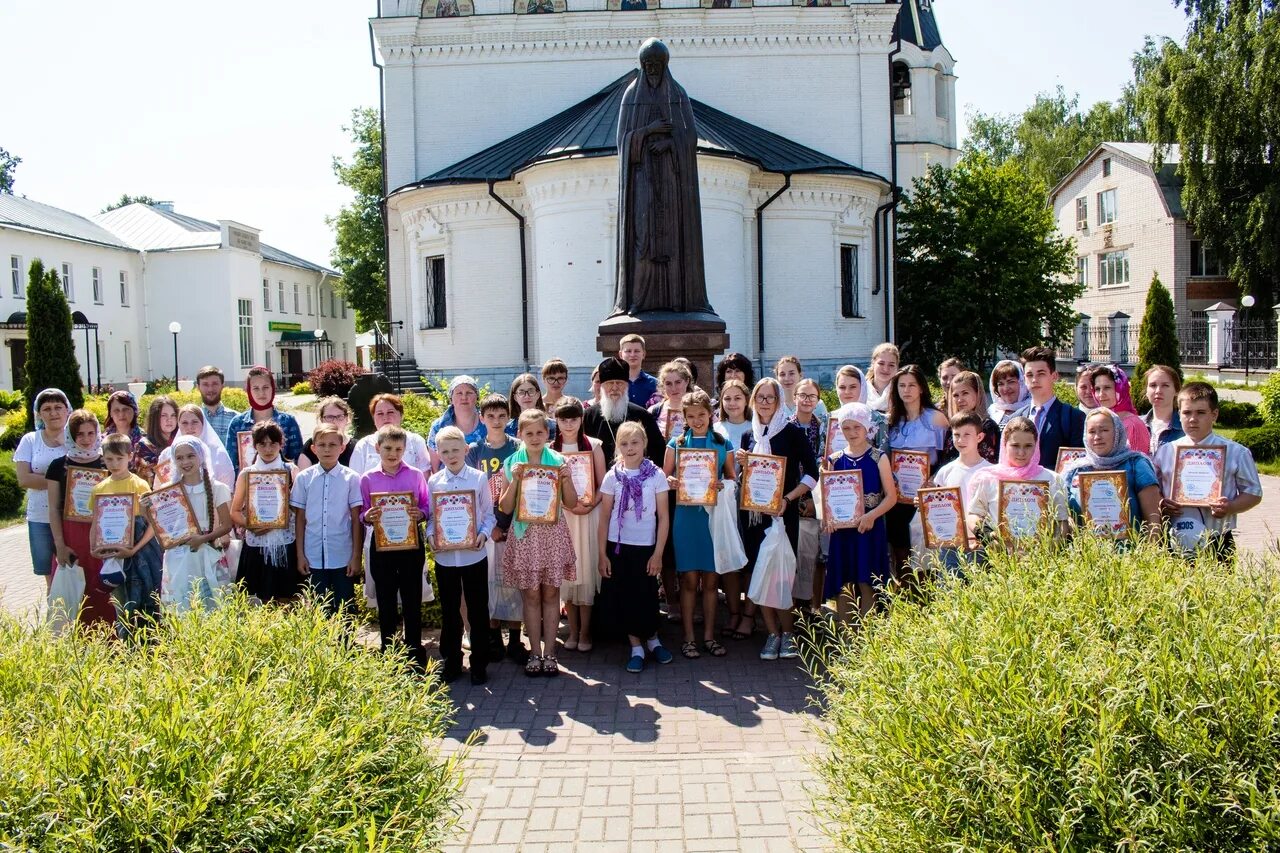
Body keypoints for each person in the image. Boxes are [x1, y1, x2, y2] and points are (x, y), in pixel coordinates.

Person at [736, 378, 819, 662]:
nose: (765, 403)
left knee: (781, 577)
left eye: (770, 398)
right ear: (753, 401)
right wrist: (743, 466)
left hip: (783, 516)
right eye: (760, 397)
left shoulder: (792, 432)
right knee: (759, 575)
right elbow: (746, 481)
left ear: (779, 400)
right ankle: (772, 634)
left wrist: (788, 499)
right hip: (755, 517)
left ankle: (789, 634)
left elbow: (812, 474)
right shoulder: (750, 435)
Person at [498, 409, 579, 678]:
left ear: (548, 434)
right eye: (528, 432)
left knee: (551, 595)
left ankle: (551, 655)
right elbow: (505, 507)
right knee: (531, 595)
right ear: (519, 434)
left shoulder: (557, 461)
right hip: (525, 536)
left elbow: (572, 502)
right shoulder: (512, 462)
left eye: (540, 432)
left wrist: (566, 478)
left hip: (552, 535)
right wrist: (516, 480)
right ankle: (535, 652)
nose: (534, 437)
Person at [662, 389, 735, 659]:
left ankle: (709, 637)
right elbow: (664, 475)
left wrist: (722, 484)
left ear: (710, 414)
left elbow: (732, 478)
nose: (697, 420)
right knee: (689, 579)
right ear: (684, 418)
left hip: (712, 517)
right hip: (686, 516)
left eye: (701, 415)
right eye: (691, 416)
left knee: (711, 579)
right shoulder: (676, 443)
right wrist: (671, 482)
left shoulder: (721, 443)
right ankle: (689, 637)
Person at [1154, 381, 1263, 560]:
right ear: (1179, 414)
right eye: (1186, 412)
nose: (1192, 419)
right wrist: (1162, 503)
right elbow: (1153, 491)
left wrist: (1231, 507)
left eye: (1201, 413)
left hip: (1217, 538)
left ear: (1214, 415)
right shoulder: (1165, 452)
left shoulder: (1237, 452)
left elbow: (1253, 492)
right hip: (1174, 536)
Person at [598, 421, 674, 674]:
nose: (629, 448)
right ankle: (636, 647)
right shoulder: (612, 477)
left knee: (647, 594)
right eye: (624, 443)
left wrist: (658, 554)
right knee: (626, 596)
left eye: (634, 442)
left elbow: (663, 517)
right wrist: (602, 555)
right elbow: (604, 517)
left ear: (644, 444)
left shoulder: (657, 475)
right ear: (617, 446)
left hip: (646, 547)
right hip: (618, 547)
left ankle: (653, 640)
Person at [427, 425, 495, 685]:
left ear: (466, 449)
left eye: (456, 449)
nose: (451, 455)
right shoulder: (434, 481)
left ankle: (479, 664)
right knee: (450, 611)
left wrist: (483, 534)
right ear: (438, 452)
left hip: (473, 555)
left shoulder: (478, 478)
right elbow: (433, 518)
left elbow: (488, 513)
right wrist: (431, 536)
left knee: (478, 611)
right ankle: (452, 662)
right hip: (446, 559)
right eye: (445, 451)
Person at [360, 424, 430, 671]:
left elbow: (425, 506)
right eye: (388, 448)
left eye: (398, 449)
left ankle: (414, 651)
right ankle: (388, 651)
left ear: (405, 449)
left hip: (411, 545)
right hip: (382, 546)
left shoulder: (415, 475)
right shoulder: (368, 478)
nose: (393, 454)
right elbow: (362, 513)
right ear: (378, 448)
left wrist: (419, 513)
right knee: (386, 600)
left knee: (412, 599)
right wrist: (367, 515)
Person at [466, 393, 528, 664]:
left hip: (516, 524)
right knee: (490, 583)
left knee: (514, 582)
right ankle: (494, 638)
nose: (496, 420)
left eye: (502, 416)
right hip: (487, 527)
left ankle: (515, 639)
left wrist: (510, 524)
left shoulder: (518, 449)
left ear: (509, 418)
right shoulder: (474, 451)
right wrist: (490, 526)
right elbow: (471, 494)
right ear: (481, 419)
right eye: (490, 416)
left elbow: (526, 489)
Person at [822, 403, 895, 623]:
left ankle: (866, 639)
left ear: (867, 428)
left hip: (869, 528)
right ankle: (847, 637)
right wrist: (830, 519)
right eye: (847, 428)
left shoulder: (878, 457)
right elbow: (828, 496)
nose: (852, 433)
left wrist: (871, 516)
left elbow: (891, 496)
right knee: (845, 583)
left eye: (857, 427)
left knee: (867, 581)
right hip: (843, 530)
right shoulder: (834, 459)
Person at [89, 432, 161, 635]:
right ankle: (128, 649)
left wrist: (134, 549)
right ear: (102, 458)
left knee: (147, 601)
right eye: (109, 459)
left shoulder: (139, 485)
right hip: (113, 556)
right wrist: (94, 548)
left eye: (119, 458)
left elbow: (151, 524)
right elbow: (95, 523)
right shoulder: (99, 488)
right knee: (121, 604)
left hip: (142, 554)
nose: (114, 463)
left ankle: (151, 648)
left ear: (130, 456)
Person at [46, 409, 112, 630]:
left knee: (101, 589)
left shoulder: (107, 464)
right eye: (80, 434)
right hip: (71, 535)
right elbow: (54, 508)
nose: (86, 439)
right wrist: (60, 546)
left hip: (102, 534)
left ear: (97, 433)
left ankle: (108, 645)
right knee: (72, 592)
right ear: (71, 436)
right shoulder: (58, 466)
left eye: (91, 433)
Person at [290, 423, 363, 618]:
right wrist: (300, 555)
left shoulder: (352, 478)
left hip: (342, 554)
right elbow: (300, 518)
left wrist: (356, 556)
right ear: (313, 448)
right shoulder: (304, 478)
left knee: (345, 606)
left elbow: (356, 519)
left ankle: (346, 645)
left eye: (332, 444)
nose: (327, 449)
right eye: (322, 445)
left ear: (342, 448)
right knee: (318, 607)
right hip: (313, 554)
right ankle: (323, 648)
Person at [884, 365, 949, 580]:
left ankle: (925, 600)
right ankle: (905, 596)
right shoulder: (891, 421)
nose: (907, 390)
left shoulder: (935, 419)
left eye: (912, 385)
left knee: (924, 551)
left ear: (921, 388)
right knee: (900, 549)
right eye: (902, 385)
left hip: (924, 494)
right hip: (896, 496)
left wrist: (933, 479)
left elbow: (947, 456)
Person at [552, 397, 605, 654]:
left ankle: (586, 632)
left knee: (584, 573)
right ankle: (572, 631)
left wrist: (589, 505)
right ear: (557, 420)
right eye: (564, 418)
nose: (569, 423)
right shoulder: (552, 450)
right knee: (567, 576)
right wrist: (566, 506)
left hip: (587, 515)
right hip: (563, 518)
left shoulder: (593, 446)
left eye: (573, 418)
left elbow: (603, 485)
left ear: (581, 419)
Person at [966, 416, 1070, 545]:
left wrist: (1052, 549)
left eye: (1028, 446)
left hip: (1042, 558)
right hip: (1000, 556)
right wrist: (986, 535)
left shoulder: (1052, 479)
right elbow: (974, 514)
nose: (1021, 452)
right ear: (1004, 445)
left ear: (1036, 446)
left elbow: (1062, 521)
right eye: (1015, 445)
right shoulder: (987, 478)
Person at [1062, 408, 1162, 541]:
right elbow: (1064, 519)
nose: (1097, 437)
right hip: (1086, 556)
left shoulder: (1136, 464)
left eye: (1104, 430)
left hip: (1131, 556)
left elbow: (1153, 518)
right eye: (1092, 431)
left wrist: (1150, 554)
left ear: (1117, 432)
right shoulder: (1075, 470)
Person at [160, 436, 234, 613]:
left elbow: (226, 525)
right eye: (179, 458)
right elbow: (162, 527)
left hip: (207, 553)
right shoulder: (169, 492)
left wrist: (203, 538)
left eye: (190, 456)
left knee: (213, 606)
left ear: (200, 456)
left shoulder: (217, 488)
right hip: (179, 557)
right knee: (182, 608)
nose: (185, 461)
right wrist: (148, 507)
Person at [231, 421, 300, 604]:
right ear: (254, 446)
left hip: (286, 542)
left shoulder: (291, 471)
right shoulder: (247, 474)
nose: (268, 448)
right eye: (262, 443)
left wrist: (286, 500)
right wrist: (252, 525)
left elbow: (301, 510)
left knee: (288, 600)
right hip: (256, 544)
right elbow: (235, 511)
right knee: (258, 600)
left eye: (273, 443)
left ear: (281, 444)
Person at [15, 389, 69, 590]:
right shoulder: (30, 440)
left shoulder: (77, 439)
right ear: (39, 413)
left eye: (58, 407)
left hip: (70, 515)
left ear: (67, 410)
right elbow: (24, 478)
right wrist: (59, 482)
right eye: (47, 408)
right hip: (40, 517)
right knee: (49, 575)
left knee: (74, 568)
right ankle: (56, 619)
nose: (53, 413)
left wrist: (67, 443)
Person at [929, 411, 994, 577]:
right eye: (956, 435)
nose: (961, 440)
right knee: (948, 591)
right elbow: (937, 507)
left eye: (967, 435)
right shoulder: (945, 471)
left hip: (979, 544)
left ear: (979, 437)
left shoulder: (990, 472)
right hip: (950, 544)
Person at [582, 357, 666, 465]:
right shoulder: (590, 415)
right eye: (610, 383)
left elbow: (657, 451)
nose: (614, 388)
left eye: (619, 383)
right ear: (602, 386)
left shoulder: (642, 415)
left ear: (626, 386)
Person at [1014, 346, 1085, 470]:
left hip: (1055, 487)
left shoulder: (1073, 417)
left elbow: (1078, 465)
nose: (1035, 380)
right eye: (1030, 375)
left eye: (1041, 374)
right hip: (1022, 487)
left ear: (1054, 376)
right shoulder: (1016, 417)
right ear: (1024, 379)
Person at [224, 366, 304, 477]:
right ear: (248, 390)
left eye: (265, 387)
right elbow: (232, 463)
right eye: (256, 388)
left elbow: (296, 458)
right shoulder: (237, 424)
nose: (261, 393)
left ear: (273, 388)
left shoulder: (288, 422)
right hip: (248, 488)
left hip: (282, 488)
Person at [789, 377, 826, 610]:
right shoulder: (783, 426)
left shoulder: (825, 428)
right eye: (802, 395)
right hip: (791, 496)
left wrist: (814, 500)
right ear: (794, 398)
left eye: (811, 396)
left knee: (814, 557)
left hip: (817, 499)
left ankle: (814, 607)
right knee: (793, 555)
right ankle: (792, 607)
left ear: (818, 400)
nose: (806, 400)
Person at [350, 393, 432, 475]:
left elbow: (424, 476)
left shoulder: (416, 441)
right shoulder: (364, 445)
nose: (385, 417)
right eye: (380, 413)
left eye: (390, 412)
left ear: (401, 415)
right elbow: (356, 480)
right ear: (373, 418)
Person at [162, 404, 235, 491]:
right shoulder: (167, 455)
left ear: (203, 423)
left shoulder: (218, 453)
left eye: (194, 422)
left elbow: (228, 491)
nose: (190, 427)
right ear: (179, 425)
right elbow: (159, 491)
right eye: (184, 423)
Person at [938, 371, 999, 466]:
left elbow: (988, 464)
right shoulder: (953, 427)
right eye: (955, 395)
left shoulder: (987, 427)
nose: (960, 400)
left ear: (977, 393)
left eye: (965, 393)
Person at [1090, 365, 1151, 456]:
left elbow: (1136, 465)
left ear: (1121, 388)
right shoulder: (1096, 422)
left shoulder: (1133, 426)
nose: (1101, 394)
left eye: (1107, 388)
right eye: (1097, 389)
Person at [426, 375, 486, 466]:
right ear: (451, 398)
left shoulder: (488, 422)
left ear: (477, 397)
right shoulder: (438, 427)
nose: (464, 397)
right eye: (459, 393)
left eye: (469, 393)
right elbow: (435, 467)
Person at [831, 365, 889, 454]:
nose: (847, 392)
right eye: (842, 387)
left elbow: (884, 455)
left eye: (853, 387)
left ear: (862, 387)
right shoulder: (829, 419)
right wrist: (823, 466)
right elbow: (820, 455)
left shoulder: (879, 420)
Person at [297, 397, 355, 469]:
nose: (334, 421)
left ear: (347, 419)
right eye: (329, 417)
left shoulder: (356, 447)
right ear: (321, 419)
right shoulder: (311, 445)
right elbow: (303, 477)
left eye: (339, 416)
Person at [132, 395, 179, 487]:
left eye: (173, 415)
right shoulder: (144, 446)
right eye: (164, 415)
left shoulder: (182, 441)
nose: (169, 420)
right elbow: (145, 481)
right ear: (155, 418)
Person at [1141, 365, 1184, 454]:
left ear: (1176, 390)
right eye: (1153, 385)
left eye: (1165, 385)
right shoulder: (1136, 424)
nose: (1158, 391)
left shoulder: (1185, 427)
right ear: (1146, 391)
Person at [196, 365, 242, 448]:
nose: (210, 389)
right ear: (198, 387)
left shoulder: (236, 419)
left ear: (222, 385)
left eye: (215, 384)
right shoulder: (192, 418)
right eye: (205, 384)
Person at [506, 373, 557, 440]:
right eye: (521, 392)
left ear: (538, 394)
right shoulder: (507, 429)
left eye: (531, 391)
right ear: (515, 397)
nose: (527, 396)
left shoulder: (553, 426)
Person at [649, 360, 692, 440]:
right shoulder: (653, 412)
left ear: (687, 381)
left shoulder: (700, 408)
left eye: (678, 382)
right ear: (663, 385)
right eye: (668, 384)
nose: (674, 388)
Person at [775, 355, 828, 420]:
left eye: (791, 373)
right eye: (782, 374)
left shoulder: (817, 405)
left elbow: (825, 428)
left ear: (800, 375)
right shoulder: (773, 405)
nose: (787, 378)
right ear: (777, 378)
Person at [618, 333, 659, 407]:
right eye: (628, 351)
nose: (632, 355)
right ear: (621, 355)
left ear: (643, 354)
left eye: (636, 351)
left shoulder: (655, 384)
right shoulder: (614, 383)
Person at [986, 359, 1029, 429]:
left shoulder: (1032, 411)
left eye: (1011, 382)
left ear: (1022, 383)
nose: (1006, 388)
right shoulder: (991, 412)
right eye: (1001, 384)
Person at [713, 378, 753, 451]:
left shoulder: (755, 429)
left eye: (737, 398)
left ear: (746, 401)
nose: (732, 403)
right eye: (727, 399)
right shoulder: (714, 430)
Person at [865, 343, 900, 413]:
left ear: (897, 367)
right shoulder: (861, 390)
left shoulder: (901, 391)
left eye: (891, 365)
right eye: (881, 363)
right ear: (873, 363)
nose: (886, 369)